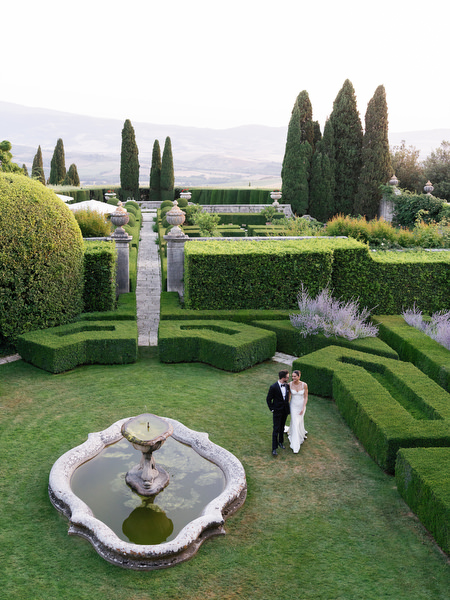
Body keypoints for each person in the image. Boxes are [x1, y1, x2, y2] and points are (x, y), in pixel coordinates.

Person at [266, 369, 290, 456]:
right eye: (287, 376)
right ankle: (274, 448)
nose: (288, 377)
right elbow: (268, 399)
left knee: (282, 427)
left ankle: (281, 442)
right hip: (277, 411)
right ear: (283, 377)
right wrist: (272, 409)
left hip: (285, 411)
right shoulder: (273, 387)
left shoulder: (287, 385)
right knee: (276, 429)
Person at [287, 370, 308, 453]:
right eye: (292, 376)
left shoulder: (304, 385)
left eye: (295, 376)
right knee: (295, 422)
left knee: (299, 421)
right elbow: (289, 397)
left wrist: (303, 407)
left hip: (301, 406)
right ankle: (295, 444)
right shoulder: (289, 384)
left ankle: (300, 433)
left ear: (299, 376)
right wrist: (287, 406)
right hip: (293, 406)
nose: (293, 378)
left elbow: (306, 397)